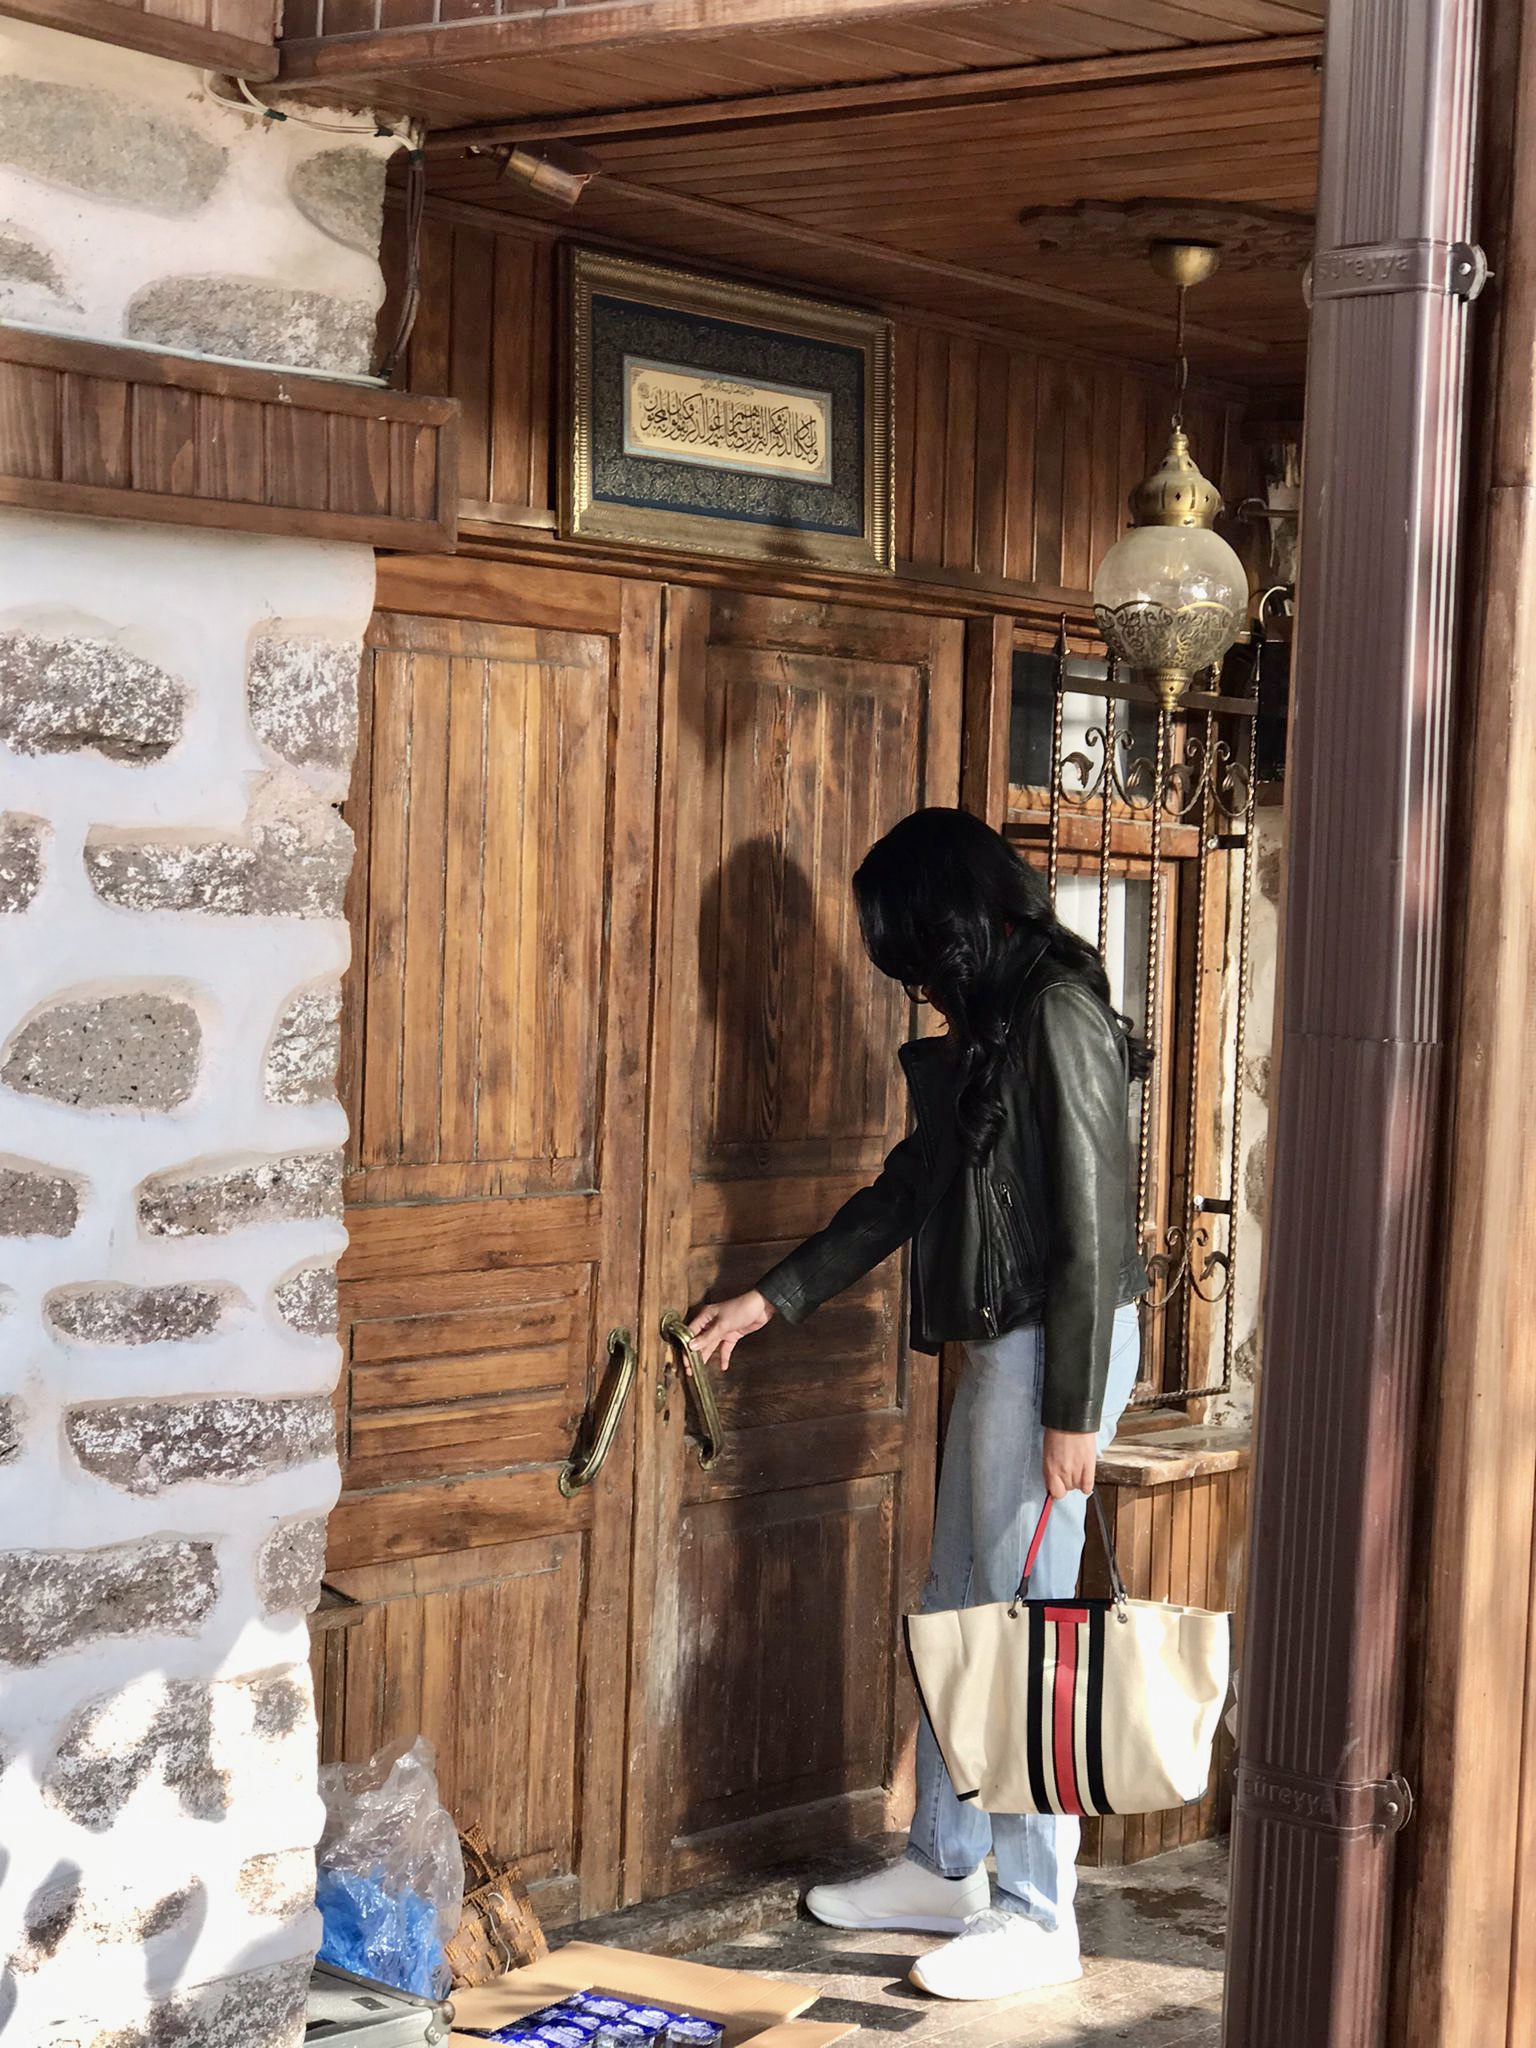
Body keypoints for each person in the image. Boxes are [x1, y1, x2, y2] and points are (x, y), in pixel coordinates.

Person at [688, 806, 1149, 2003]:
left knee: (1026, 1624)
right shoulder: (996, 1016)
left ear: (953, 925)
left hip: (1057, 1347)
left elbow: (1095, 1226)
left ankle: (1039, 1912)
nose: (912, 987)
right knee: (958, 1601)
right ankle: (946, 1863)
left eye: (913, 959)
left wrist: (1071, 1411)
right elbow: (910, 1188)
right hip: (1010, 1348)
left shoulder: (1058, 1012)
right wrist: (775, 1296)